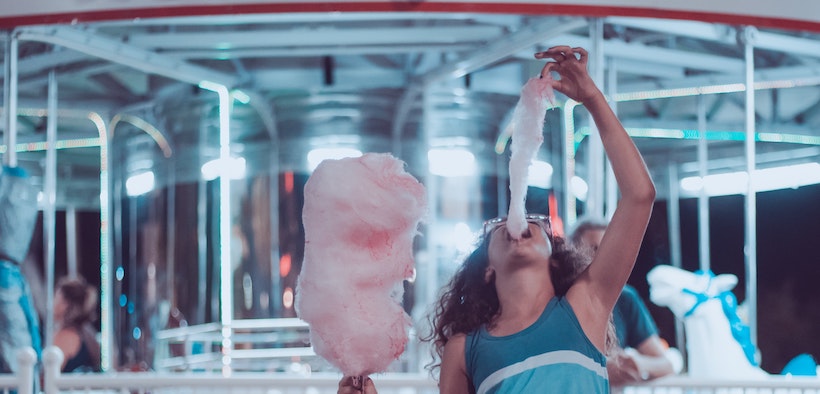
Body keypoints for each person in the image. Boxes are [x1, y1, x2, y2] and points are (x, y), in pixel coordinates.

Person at [339, 45, 656, 393]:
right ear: (487, 266)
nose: (517, 226)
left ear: (554, 254)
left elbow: (639, 197)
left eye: (535, 225)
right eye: (499, 228)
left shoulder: (586, 305)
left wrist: (592, 98)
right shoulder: (465, 348)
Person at [568, 217, 675, 386]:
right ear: (572, 254)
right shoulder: (558, 297)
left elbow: (665, 365)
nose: (602, 257)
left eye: (609, 250)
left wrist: (635, 362)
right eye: (593, 249)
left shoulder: (625, 298)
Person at [53, 276, 101, 373]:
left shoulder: (66, 336)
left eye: (56, 298)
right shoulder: (88, 334)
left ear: (65, 304)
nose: (52, 303)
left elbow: (50, 372)